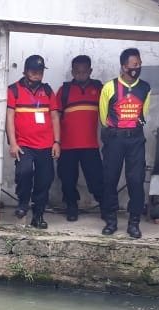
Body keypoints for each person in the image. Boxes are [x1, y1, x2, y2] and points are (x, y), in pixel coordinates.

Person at [99, 47, 151, 238]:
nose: (137, 67)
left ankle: (134, 222)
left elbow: (143, 113)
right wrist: (116, 130)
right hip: (115, 139)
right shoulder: (109, 87)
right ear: (123, 66)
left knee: (136, 181)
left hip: (136, 139)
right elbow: (103, 117)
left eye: (139, 64)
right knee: (110, 179)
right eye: (133, 64)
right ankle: (111, 220)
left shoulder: (145, 88)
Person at [6, 54, 60, 229]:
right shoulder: (13, 90)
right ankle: (23, 202)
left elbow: (54, 117)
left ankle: (38, 215)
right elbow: (9, 117)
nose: (37, 75)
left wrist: (57, 142)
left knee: (45, 180)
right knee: (24, 172)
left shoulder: (48, 91)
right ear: (25, 71)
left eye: (40, 72)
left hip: (46, 145)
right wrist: (13, 143)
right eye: (34, 71)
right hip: (24, 144)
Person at [55, 55, 104, 222]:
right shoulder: (64, 91)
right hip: (67, 145)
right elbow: (55, 117)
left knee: (96, 178)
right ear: (72, 72)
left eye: (84, 72)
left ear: (90, 71)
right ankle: (71, 206)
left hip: (90, 145)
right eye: (77, 72)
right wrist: (56, 142)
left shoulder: (99, 89)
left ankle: (105, 207)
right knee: (67, 180)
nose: (80, 75)